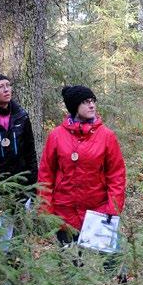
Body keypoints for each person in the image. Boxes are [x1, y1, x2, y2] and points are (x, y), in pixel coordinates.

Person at [38, 86, 126, 246]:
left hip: (98, 212)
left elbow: (116, 176)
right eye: (86, 102)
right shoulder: (56, 136)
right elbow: (46, 174)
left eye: (93, 101)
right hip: (64, 212)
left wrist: (112, 210)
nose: (92, 105)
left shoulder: (107, 136)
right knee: (72, 265)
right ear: (74, 107)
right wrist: (46, 210)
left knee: (109, 265)